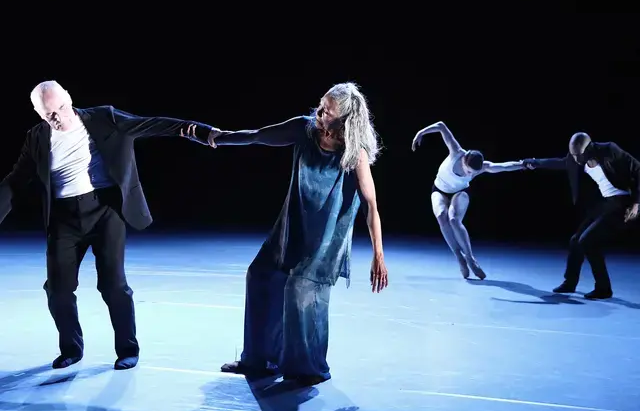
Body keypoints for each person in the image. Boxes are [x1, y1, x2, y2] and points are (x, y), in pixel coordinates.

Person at [0, 80, 214, 370]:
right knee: (58, 290)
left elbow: (150, 124)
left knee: (113, 286)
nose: (59, 118)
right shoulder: (36, 137)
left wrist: (195, 130)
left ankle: (128, 348)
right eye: (50, 114)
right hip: (63, 219)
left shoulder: (104, 118)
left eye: (62, 108)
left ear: (69, 99)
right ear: (38, 113)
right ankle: (71, 349)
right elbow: (15, 181)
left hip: (105, 211)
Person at [203, 82, 388, 386]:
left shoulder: (355, 153)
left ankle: (309, 368)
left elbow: (371, 204)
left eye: (327, 110)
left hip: (327, 234)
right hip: (294, 222)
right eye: (321, 104)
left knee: (302, 288)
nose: (319, 112)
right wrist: (219, 138)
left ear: (342, 119)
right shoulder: (304, 130)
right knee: (261, 274)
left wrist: (378, 255)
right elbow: (258, 136)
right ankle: (260, 359)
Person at [523, 132, 639, 299]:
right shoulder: (574, 158)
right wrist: (536, 163)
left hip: (624, 203)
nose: (576, 159)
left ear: (589, 148)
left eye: (579, 155)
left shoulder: (609, 150)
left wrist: (636, 203)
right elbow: (560, 163)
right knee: (576, 240)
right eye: (573, 155)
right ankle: (570, 283)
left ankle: (604, 288)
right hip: (607, 203)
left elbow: (637, 170)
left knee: (588, 241)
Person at [412, 121, 526, 279]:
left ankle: (471, 258)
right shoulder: (456, 152)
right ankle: (460, 258)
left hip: (460, 192)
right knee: (441, 217)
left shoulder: (481, 167)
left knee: (454, 219)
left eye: (473, 173)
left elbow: (504, 167)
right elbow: (441, 126)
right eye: (468, 171)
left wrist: (523, 164)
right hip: (439, 189)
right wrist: (421, 133)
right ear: (464, 159)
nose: (469, 174)